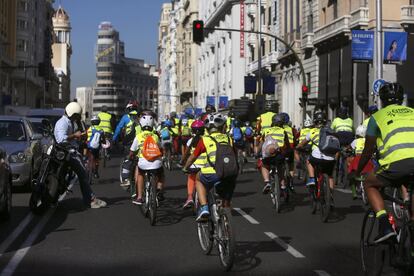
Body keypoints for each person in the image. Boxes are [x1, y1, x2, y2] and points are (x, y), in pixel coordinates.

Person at [357, 82, 414, 243]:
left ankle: (385, 226)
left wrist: (356, 171)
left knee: (369, 183)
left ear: (381, 100)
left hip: (395, 165)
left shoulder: (377, 117)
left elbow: (367, 150)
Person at [183, 113, 237, 221]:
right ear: (223, 126)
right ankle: (226, 214)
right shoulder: (229, 138)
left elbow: (193, 157)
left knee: (198, 179)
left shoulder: (205, 140)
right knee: (226, 192)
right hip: (230, 173)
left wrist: (185, 167)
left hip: (212, 173)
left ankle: (204, 208)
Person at [54, 102, 107, 209]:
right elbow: (61, 139)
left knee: (83, 172)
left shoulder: (70, 122)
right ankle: (90, 200)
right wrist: (75, 135)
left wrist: (80, 137)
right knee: (83, 173)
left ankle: (90, 199)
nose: (77, 118)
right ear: (72, 113)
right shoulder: (63, 122)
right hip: (65, 152)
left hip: (69, 151)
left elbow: (73, 138)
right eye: (76, 115)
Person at [297, 112, 336, 204]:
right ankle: (330, 195)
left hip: (316, 157)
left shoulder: (312, 131)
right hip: (330, 158)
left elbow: (302, 144)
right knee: (329, 175)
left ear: (315, 121)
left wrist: (298, 147)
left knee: (309, 161)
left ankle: (311, 178)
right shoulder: (331, 131)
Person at [129, 114, 165, 205]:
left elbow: (132, 152)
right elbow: (160, 149)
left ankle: (140, 197)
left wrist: (130, 157)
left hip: (143, 163)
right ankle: (159, 189)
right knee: (161, 173)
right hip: (156, 163)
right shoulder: (155, 136)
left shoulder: (138, 136)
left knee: (140, 174)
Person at [260, 114, 290, 194]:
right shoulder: (283, 131)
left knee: (264, 165)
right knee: (280, 167)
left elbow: (262, 143)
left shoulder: (266, 131)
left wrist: (258, 153)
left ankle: (267, 182)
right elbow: (287, 144)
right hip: (279, 154)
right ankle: (283, 185)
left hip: (268, 154)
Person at [180, 120, 206, 208]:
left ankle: (190, 197)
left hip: (194, 166)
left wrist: (182, 162)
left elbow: (186, 154)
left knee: (191, 177)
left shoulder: (191, 141)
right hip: (207, 165)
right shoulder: (207, 139)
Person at [348, 125, 375, 200]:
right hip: (368, 160)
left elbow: (349, 148)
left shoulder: (355, 141)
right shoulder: (368, 140)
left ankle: (354, 193)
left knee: (351, 173)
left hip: (358, 160)